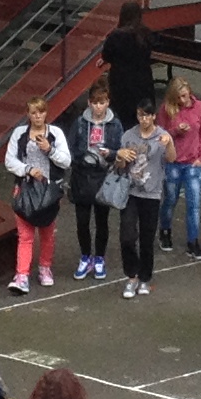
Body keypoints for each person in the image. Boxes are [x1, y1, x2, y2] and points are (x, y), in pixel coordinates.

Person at [3, 98, 70, 292]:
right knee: (25, 235)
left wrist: (50, 150)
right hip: (25, 189)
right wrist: (28, 169)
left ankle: (45, 268)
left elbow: (66, 161)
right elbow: (9, 161)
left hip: (49, 192)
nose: (37, 116)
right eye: (33, 113)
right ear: (28, 115)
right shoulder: (19, 134)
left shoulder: (56, 134)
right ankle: (22, 275)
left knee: (47, 233)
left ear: (46, 113)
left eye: (40, 112)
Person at [66, 80, 124, 281]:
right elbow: (70, 149)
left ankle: (99, 257)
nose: (99, 107)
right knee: (82, 221)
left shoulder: (115, 124)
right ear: (89, 103)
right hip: (82, 177)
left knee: (102, 221)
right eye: (95, 103)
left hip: (103, 177)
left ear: (108, 102)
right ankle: (85, 256)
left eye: (102, 102)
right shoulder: (80, 123)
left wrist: (111, 154)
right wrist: (82, 158)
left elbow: (121, 150)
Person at [115, 99, 173, 298]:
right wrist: (120, 156)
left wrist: (170, 142)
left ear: (153, 116)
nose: (144, 119)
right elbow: (120, 166)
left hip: (152, 193)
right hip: (130, 191)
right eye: (141, 115)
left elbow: (171, 158)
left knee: (147, 238)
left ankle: (145, 278)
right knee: (127, 235)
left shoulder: (162, 135)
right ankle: (131, 276)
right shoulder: (128, 135)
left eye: (147, 115)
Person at [161, 75, 201, 255]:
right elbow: (161, 135)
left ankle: (193, 241)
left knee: (194, 204)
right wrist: (175, 131)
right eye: (179, 97)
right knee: (170, 200)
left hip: (193, 163)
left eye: (185, 95)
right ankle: (165, 230)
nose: (183, 100)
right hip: (173, 162)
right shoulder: (167, 109)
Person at [99, 0, 157, 120]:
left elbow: (107, 55)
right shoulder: (146, 33)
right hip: (143, 78)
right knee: (142, 114)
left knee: (122, 115)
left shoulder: (116, 36)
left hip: (121, 80)